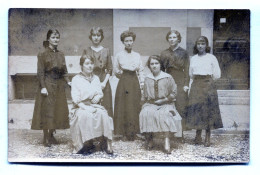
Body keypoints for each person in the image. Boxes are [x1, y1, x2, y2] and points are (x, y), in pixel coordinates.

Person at [31, 29, 70, 147]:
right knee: (47, 110)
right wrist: (43, 87)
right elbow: (40, 72)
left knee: (57, 109)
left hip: (59, 84)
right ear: (48, 39)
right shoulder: (42, 54)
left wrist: (69, 82)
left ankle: (52, 135)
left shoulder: (61, 54)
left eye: (57, 37)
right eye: (53, 37)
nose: (56, 39)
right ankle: (46, 137)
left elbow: (65, 71)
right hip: (47, 83)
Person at [69, 55, 114, 154]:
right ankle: (86, 143)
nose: (90, 66)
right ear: (82, 65)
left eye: (91, 64)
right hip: (80, 106)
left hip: (94, 105)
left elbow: (99, 92)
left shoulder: (96, 78)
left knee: (103, 114)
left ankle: (106, 142)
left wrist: (98, 96)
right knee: (85, 115)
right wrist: (86, 108)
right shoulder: (76, 79)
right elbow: (76, 99)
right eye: (87, 64)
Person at [139, 55, 182, 154]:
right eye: (152, 64)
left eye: (156, 63)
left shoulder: (168, 77)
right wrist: (144, 103)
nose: (154, 66)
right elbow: (144, 94)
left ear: (160, 65)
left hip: (166, 103)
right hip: (151, 103)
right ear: (149, 66)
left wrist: (164, 100)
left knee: (165, 114)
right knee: (145, 113)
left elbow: (174, 92)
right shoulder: (147, 78)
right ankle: (149, 139)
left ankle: (167, 141)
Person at [186, 36, 223, 147]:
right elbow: (190, 74)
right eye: (198, 43)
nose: (200, 46)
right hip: (196, 84)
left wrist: (208, 81)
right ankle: (198, 135)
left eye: (203, 43)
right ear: (196, 46)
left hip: (208, 85)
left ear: (206, 45)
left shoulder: (211, 58)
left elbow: (217, 74)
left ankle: (207, 137)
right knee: (197, 109)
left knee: (208, 110)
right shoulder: (193, 58)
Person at [113, 30, 144, 141]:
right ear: (123, 42)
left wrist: (142, 84)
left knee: (134, 105)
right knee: (124, 106)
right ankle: (124, 133)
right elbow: (116, 70)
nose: (129, 43)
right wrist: (123, 76)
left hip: (134, 81)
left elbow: (140, 70)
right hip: (124, 81)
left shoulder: (137, 55)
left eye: (131, 40)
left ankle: (134, 132)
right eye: (126, 41)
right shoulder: (119, 55)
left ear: (133, 41)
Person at [160, 30, 190, 131]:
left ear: (178, 39)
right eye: (170, 38)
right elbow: (161, 70)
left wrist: (186, 84)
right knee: (168, 105)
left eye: (174, 37)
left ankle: (180, 133)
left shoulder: (184, 52)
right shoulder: (164, 53)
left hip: (180, 80)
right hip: (167, 79)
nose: (172, 40)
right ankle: (169, 130)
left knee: (180, 105)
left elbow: (187, 70)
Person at [82, 27, 113, 117]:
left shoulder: (106, 50)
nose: (96, 37)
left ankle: (107, 128)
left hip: (104, 80)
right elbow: (83, 67)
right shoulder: (86, 50)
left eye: (98, 35)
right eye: (94, 35)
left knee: (105, 104)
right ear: (91, 37)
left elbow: (110, 69)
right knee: (91, 104)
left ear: (101, 37)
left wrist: (104, 83)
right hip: (89, 80)